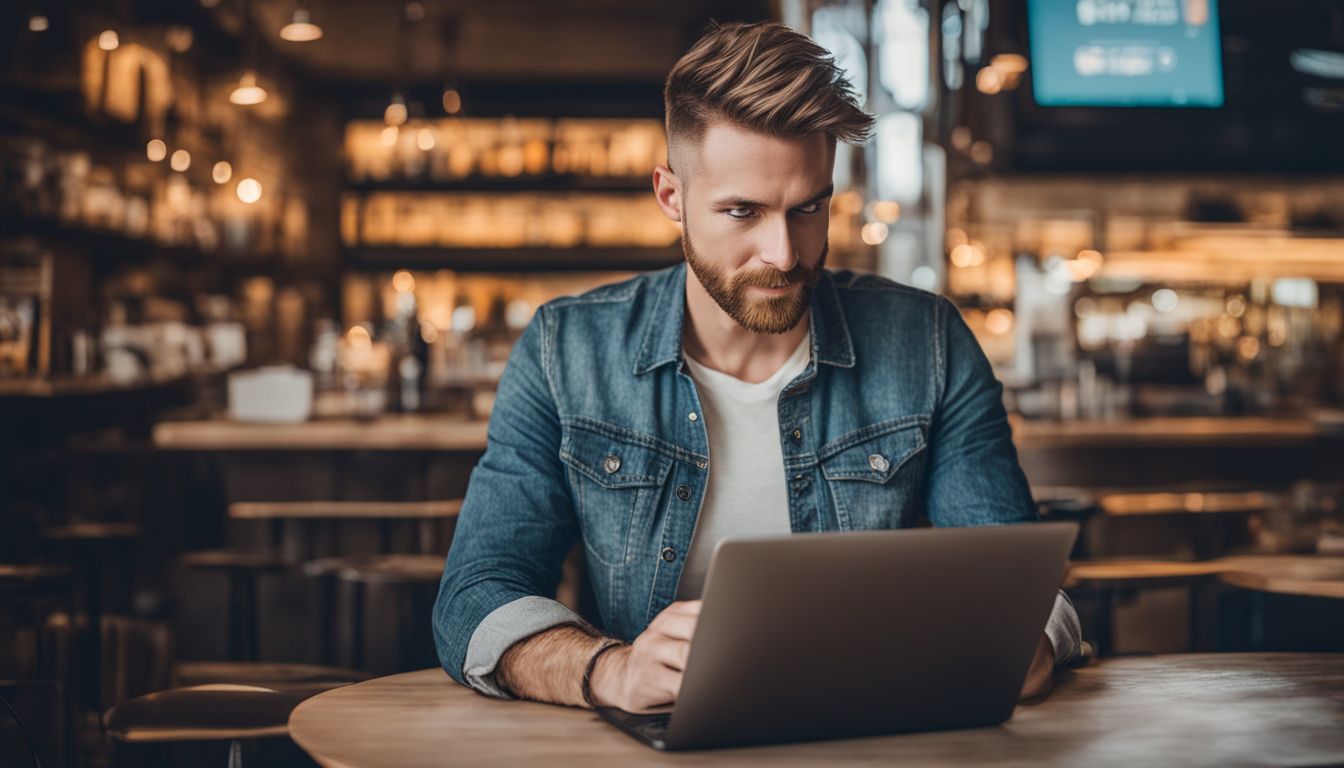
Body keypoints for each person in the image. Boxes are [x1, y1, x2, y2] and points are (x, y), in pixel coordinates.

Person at [433, 19, 1082, 714]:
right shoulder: (567, 350)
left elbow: (1024, 592)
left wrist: (1031, 642)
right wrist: (608, 671)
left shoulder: (929, 342)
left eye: (808, 209)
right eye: (742, 211)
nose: (783, 252)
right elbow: (476, 598)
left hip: (873, 741)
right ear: (670, 198)